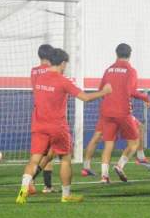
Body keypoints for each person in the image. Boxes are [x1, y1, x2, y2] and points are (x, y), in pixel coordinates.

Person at [16, 48, 111, 204]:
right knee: (65, 159)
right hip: (57, 126)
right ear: (62, 63)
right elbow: (85, 98)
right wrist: (104, 91)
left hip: (39, 125)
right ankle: (66, 195)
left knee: (34, 159)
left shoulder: (39, 78)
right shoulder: (63, 81)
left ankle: (22, 192)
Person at [98, 43, 150, 183]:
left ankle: (104, 176)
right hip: (123, 112)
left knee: (109, 144)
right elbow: (131, 91)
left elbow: (101, 90)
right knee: (134, 142)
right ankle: (120, 165)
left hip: (107, 111)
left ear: (116, 54)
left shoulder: (108, 70)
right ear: (130, 55)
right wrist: (145, 97)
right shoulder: (130, 71)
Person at [81, 115, 150, 178]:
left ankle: (87, 168)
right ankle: (119, 166)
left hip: (106, 113)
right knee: (133, 139)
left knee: (97, 137)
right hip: (120, 113)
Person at [28, 43, 56, 195]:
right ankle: (32, 180)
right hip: (51, 115)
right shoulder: (51, 71)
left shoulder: (34, 71)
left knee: (40, 153)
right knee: (50, 153)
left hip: (37, 115)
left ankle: (45, 185)